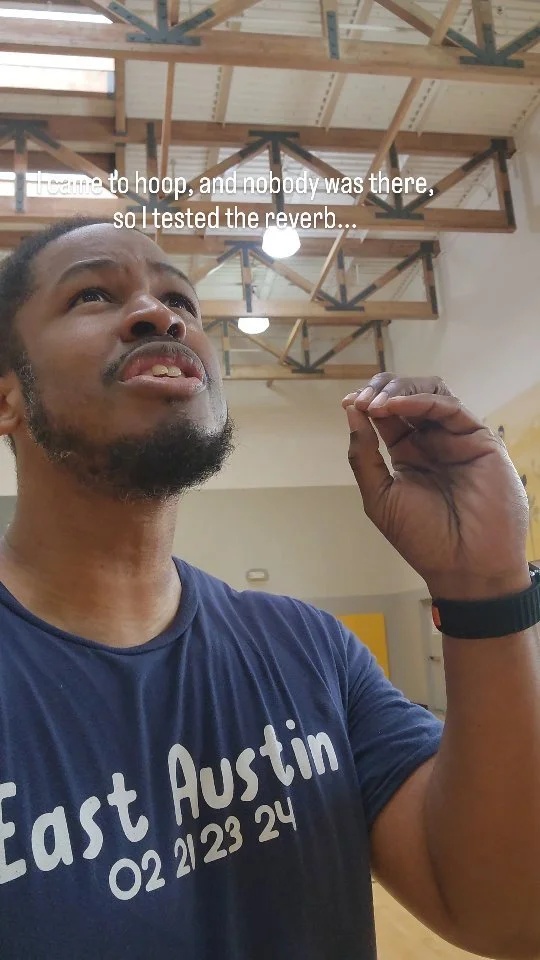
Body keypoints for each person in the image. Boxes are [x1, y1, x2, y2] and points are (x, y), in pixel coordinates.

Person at [0, 216, 537, 960]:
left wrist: (486, 587)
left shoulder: (312, 649)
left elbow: (509, 916)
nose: (161, 316)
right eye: (92, 294)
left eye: (181, 302)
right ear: (7, 398)